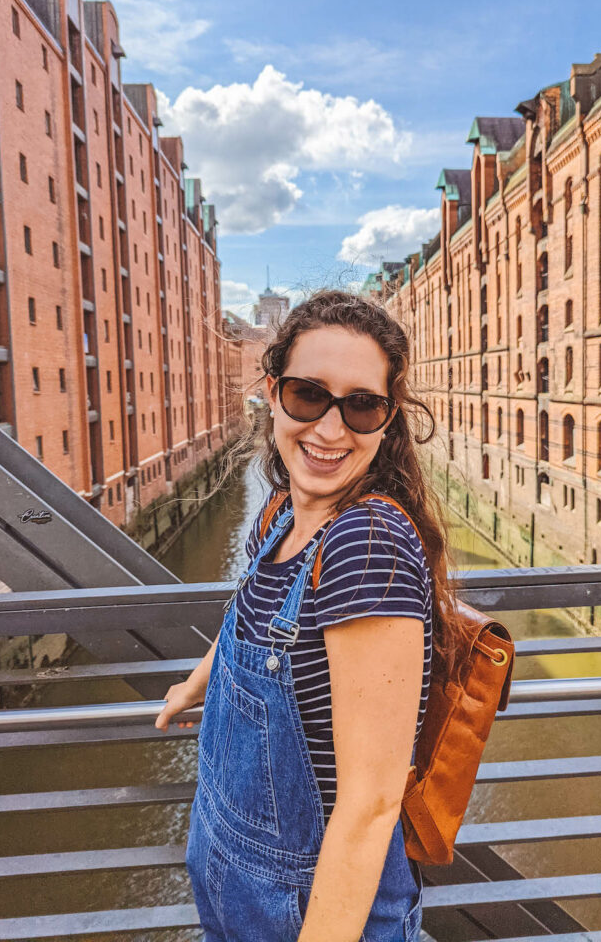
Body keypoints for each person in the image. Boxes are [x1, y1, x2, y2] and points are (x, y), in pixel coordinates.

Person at [155, 290, 462, 941]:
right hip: (237, 881)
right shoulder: (282, 516)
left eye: (361, 405)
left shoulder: (365, 544)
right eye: (307, 395)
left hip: (310, 906)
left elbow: (371, 804)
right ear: (273, 393)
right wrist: (200, 679)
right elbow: (252, 617)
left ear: (387, 420)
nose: (329, 429)